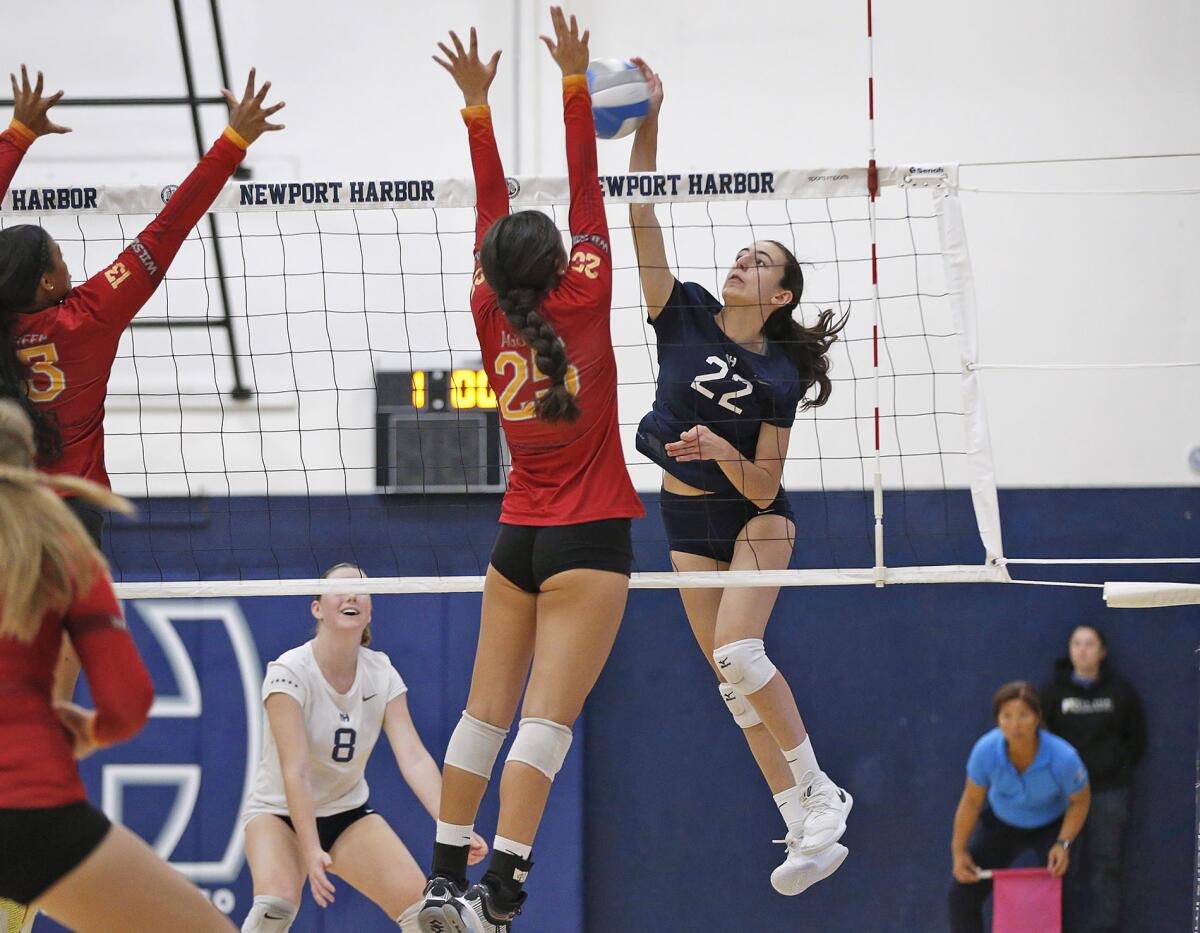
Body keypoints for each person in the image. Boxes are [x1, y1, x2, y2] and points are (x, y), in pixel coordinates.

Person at [418, 9, 643, 932]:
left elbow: (489, 211)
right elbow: (587, 186)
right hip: (589, 537)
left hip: (518, 537)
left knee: (483, 713)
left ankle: (443, 880)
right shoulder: (585, 289)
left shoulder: (486, 304)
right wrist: (575, 81)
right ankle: (500, 893)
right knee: (545, 722)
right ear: (560, 261)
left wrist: (477, 108)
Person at [626, 58, 851, 895]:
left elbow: (762, 485)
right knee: (731, 682)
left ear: (782, 295)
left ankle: (823, 789)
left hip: (756, 517)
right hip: (685, 524)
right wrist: (652, 116)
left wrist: (721, 452)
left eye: (760, 262)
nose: (741, 263)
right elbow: (640, 211)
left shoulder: (778, 379)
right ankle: (798, 814)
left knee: (742, 651)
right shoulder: (679, 308)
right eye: (742, 254)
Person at [0, 63, 283, 704]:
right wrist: (232, 143)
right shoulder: (89, 316)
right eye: (59, 257)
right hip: (70, 513)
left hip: (7, 505)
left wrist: (16, 134)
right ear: (47, 283)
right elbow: (171, 225)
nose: (69, 261)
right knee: (62, 656)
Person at [0, 398, 234, 932]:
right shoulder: (63, 552)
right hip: (30, 807)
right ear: (35, 466)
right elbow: (128, 704)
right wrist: (90, 731)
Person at [239, 563, 486, 932]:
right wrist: (309, 850)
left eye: (361, 589)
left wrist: (453, 832)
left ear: (370, 610)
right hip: (279, 813)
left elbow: (414, 758)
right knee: (274, 908)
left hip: (347, 814)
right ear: (317, 607)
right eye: (341, 589)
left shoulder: (381, 672)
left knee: (429, 920)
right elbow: (297, 769)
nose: (353, 595)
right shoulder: (288, 671)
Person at [949, 681, 1092, 933]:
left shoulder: (1063, 757)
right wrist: (959, 851)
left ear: (1037, 718)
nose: (1015, 725)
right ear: (998, 720)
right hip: (1002, 823)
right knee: (961, 896)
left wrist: (1063, 844)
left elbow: (1080, 801)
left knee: (1066, 895)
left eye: (1023, 715)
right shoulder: (985, 751)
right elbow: (971, 801)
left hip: (1052, 825)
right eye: (1007, 716)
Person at [1041, 624, 1145, 933]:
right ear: (1070, 650)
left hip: (1108, 793)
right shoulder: (1053, 692)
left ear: (1102, 652)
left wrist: (1115, 768)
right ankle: (1060, 927)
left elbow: (1137, 740)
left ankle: (1105, 929)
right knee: (1063, 865)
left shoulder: (1120, 692)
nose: (1083, 650)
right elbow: (1042, 739)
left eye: (1090, 644)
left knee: (1106, 866)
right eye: (1077, 643)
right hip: (1066, 796)